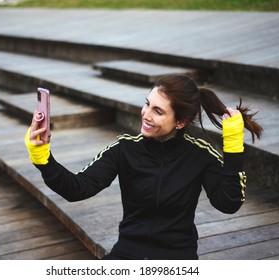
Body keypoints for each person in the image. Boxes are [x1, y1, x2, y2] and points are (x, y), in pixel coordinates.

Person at [24, 74, 263, 260]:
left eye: (157, 111)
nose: (146, 115)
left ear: (180, 122)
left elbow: (228, 203)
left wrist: (232, 146)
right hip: (127, 254)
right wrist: (42, 155)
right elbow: (77, 189)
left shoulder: (201, 155)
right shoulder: (124, 149)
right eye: (147, 104)